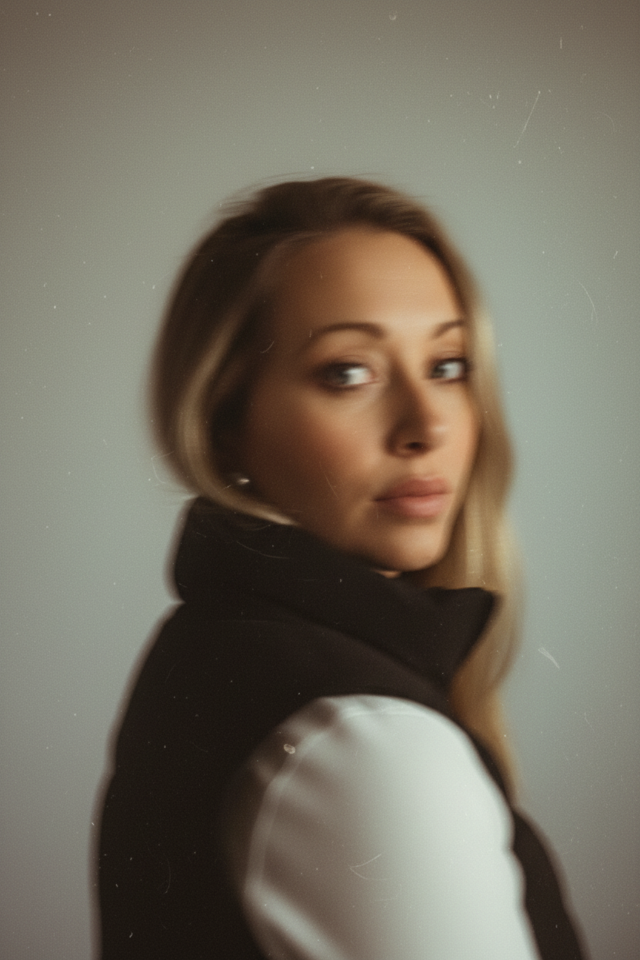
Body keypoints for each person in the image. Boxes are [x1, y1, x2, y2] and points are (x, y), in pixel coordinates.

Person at [97, 177, 587, 959]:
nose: (426, 425)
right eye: (348, 373)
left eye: (449, 365)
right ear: (225, 423)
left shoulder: (217, 648)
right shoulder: (365, 745)